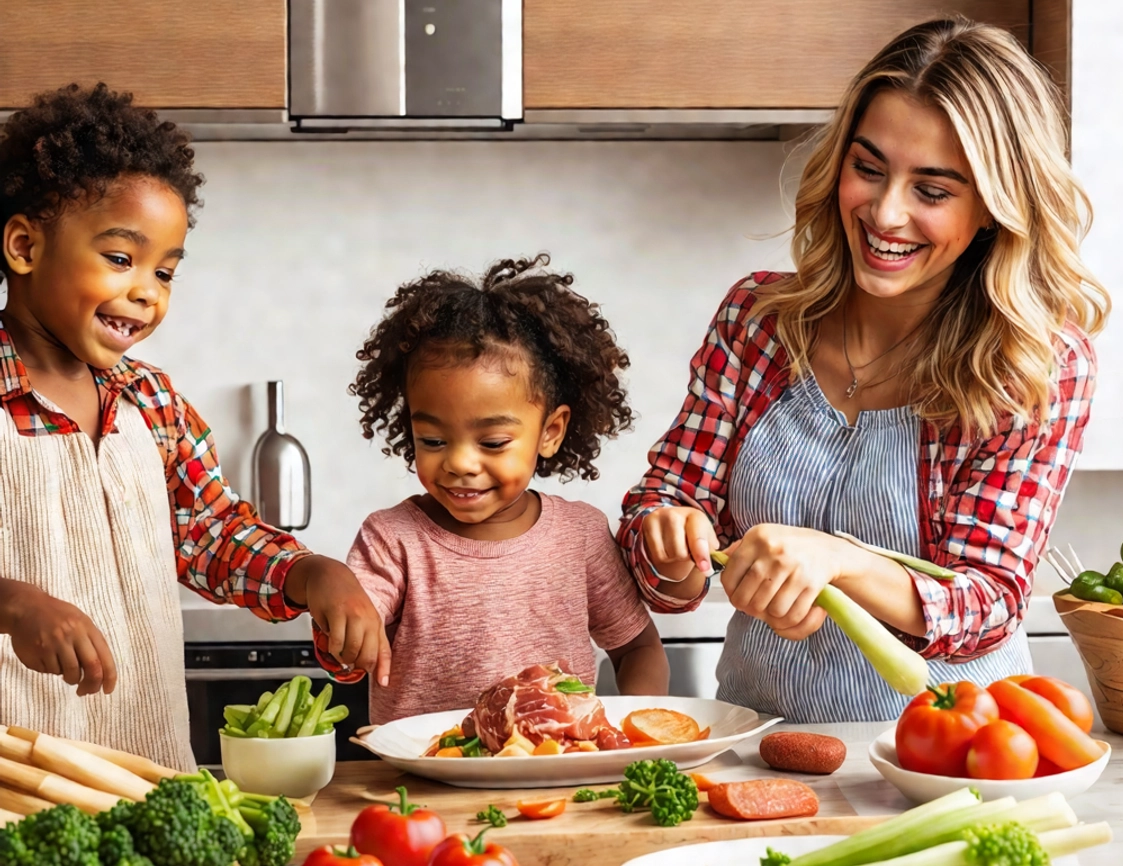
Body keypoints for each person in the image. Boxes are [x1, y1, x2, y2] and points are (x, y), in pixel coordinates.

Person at [617, 18, 1109, 723]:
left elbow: (988, 602)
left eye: (932, 191)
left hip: (952, 753)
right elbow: (663, 510)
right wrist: (668, 543)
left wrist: (836, 561)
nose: (885, 212)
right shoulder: (757, 321)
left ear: (995, 212)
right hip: (758, 743)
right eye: (869, 168)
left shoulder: (1036, 365)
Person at [0, 84, 387, 770]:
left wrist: (310, 573)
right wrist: (12, 604)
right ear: (26, 245)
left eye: (166, 272)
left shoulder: (151, 402)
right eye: (121, 258)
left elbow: (214, 538)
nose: (147, 291)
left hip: (149, 772)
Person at [346, 254, 668, 724]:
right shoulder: (392, 539)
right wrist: (347, 623)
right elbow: (352, 636)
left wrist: (629, 729)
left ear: (551, 431)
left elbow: (638, 649)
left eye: (493, 442)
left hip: (556, 780)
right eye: (432, 440)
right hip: (425, 788)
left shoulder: (578, 535)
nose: (458, 462)